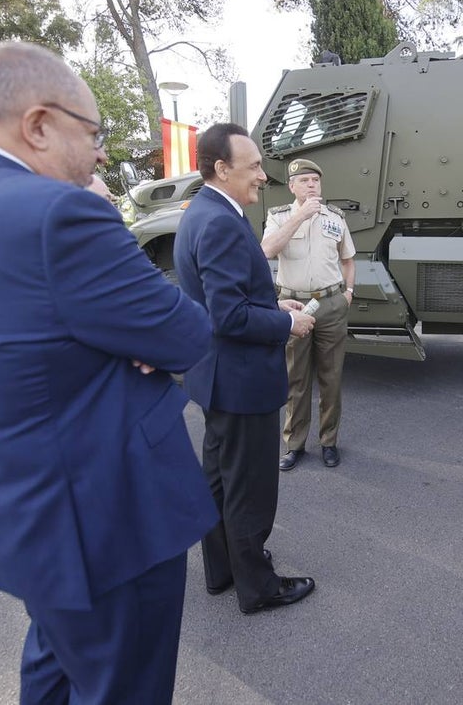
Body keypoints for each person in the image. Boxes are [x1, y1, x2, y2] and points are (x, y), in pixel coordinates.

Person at [0, 41, 219, 704]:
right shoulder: (59, 214)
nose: (100, 154)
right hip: (106, 522)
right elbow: (186, 332)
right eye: (91, 133)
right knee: (123, 688)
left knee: (55, 666)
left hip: (21, 515)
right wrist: (126, 340)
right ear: (38, 125)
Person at [173, 123, 319, 615]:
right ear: (222, 168)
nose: (262, 175)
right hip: (241, 382)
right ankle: (258, 587)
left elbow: (231, 296)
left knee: (218, 480)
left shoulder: (202, 213)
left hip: (216, 378)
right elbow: (229, 315)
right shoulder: (220, 222)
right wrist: (287, 321)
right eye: (253, 165)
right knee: (249, 489)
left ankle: (224, 571)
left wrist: (275, 300)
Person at [261, 158, 356, 471]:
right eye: (304, 180)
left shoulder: (335, 218)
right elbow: (267, 251)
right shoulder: (279, 217)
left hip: (330, 303)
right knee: (295, 379)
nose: (311, 184)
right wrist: (299, 217)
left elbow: (348, 260)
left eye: (315, 179)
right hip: (294, 306)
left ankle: (329, 441)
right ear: (291, 186)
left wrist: (348, 294)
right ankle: (294, 445)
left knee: (331, 377)